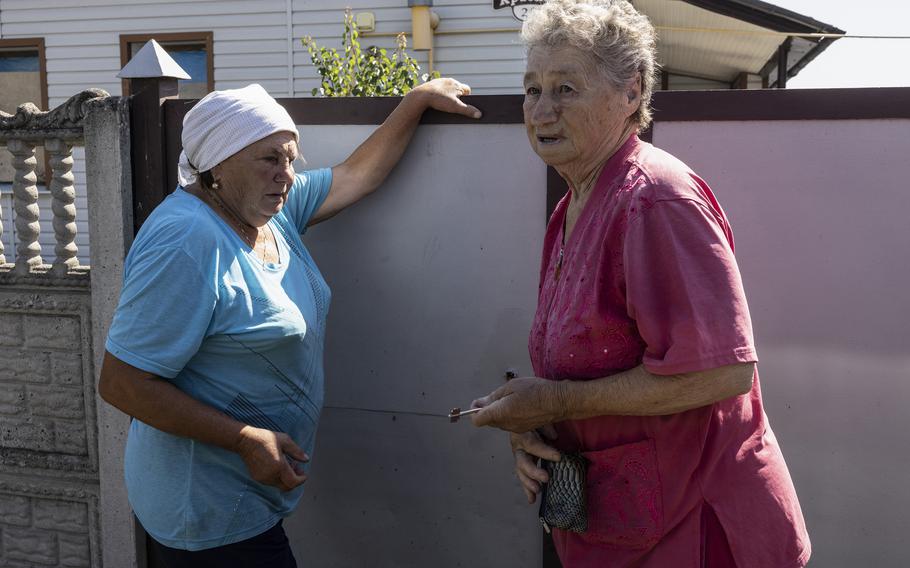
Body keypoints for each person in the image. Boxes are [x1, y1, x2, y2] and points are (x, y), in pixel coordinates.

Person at [469, 1, 809, 566]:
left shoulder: (655, 199)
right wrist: (536, 425)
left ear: (631, 92)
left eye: (566, 89)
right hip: (628, 526)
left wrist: (552, 400)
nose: (542, 110)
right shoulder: (574, 204)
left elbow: (723, 370)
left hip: (698, 532)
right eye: (532, 89)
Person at [98, 80, 480, 566]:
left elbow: (357, 175)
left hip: (250, 494)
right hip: (205, 508)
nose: (288, 175)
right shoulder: (186, 242)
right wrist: (244, 439)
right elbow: (122, 382)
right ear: (218, 164)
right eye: (271, 159)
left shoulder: (267, 214)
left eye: (292, 159)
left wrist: (416, 101)